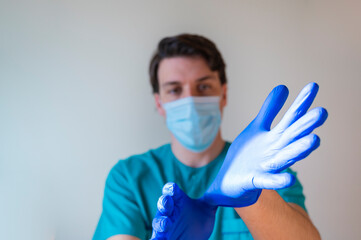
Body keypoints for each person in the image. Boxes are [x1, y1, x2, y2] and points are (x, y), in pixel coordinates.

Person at [93, 34, 327, 240]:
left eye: (203, 87)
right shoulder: (129, 177)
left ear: (223, 94)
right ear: (159, 103)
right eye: (174, 90)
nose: (191, 100)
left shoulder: (267, 169)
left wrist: (255, 199)